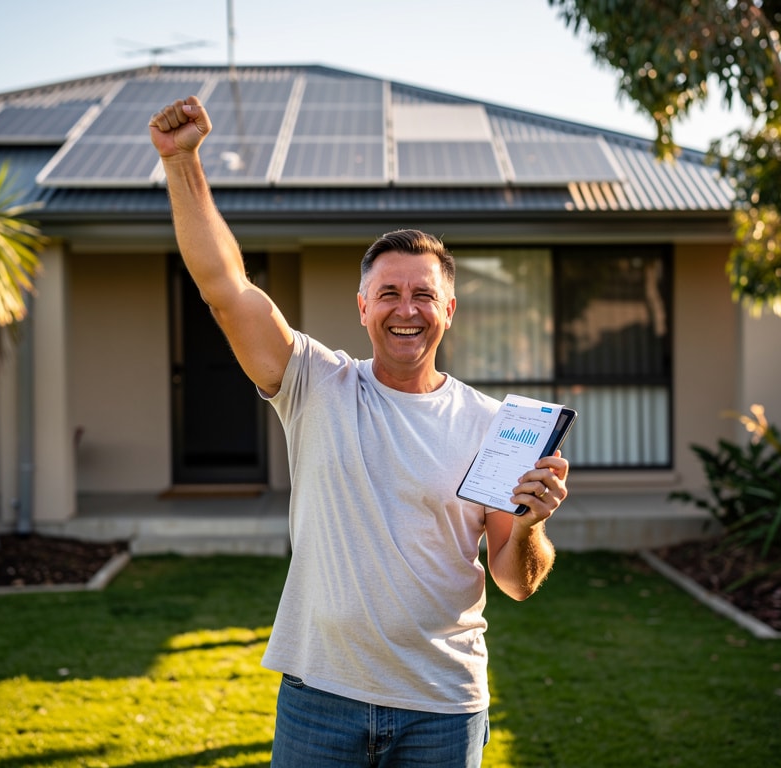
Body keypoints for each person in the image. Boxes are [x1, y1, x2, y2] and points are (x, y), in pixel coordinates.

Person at [149, 95, 570, 768]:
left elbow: (517, 581)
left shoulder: (493, 426)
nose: (408, 310)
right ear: (363, 306)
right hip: (321, 698)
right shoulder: (316, 384)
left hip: (443, 705)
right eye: (390, 294)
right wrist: (182, 162)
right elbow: (225, 288)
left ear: (449, 310)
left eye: (424, 295)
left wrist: (528, 525)